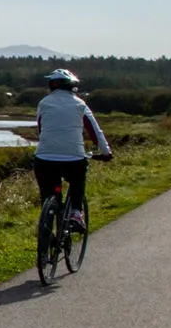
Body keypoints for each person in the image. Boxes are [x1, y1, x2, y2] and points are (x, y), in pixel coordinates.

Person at [33, 68, 112, 227]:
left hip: (44, 158)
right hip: (73, 158)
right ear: (72, 87)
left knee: (48, 194)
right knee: (77, 182)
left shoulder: (43, 103)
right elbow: (95, 132)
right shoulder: (80, 104)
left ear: (51, 86)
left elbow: (41, 128)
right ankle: (76, 212)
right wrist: (106, 152)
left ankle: (47, 223)